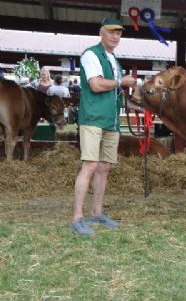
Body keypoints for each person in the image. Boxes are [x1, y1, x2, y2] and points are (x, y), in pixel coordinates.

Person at [71, 18, 136, 236]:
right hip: (92, 118)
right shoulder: (91, 54)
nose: (116, 36)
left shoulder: (113, 59)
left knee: (104, 167)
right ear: (101, 33)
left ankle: (97, 212)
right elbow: (96, 84)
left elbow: (115, 89)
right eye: (111, 32)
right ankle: (77, 218)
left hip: (111, 120)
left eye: (119, 33)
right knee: (89, 166)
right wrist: (121, 82)